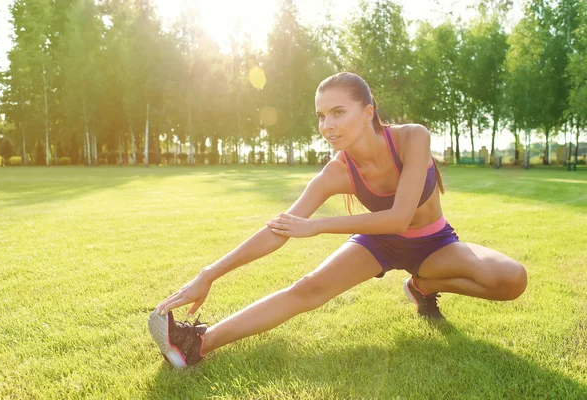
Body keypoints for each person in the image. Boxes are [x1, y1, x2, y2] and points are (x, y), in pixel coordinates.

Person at [148, 72, 528, 369]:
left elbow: (399, 218)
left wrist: (317, 226)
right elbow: (279, 229)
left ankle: (422, 285)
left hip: (433, 243)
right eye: (321, 116)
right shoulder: (336, 172)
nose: (327, 125)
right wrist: (209, 273)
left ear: (368, 112)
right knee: (308, 289)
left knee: (512, 279)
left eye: (337, 112)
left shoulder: (413, 138)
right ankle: (198, 343)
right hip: (377, 243)